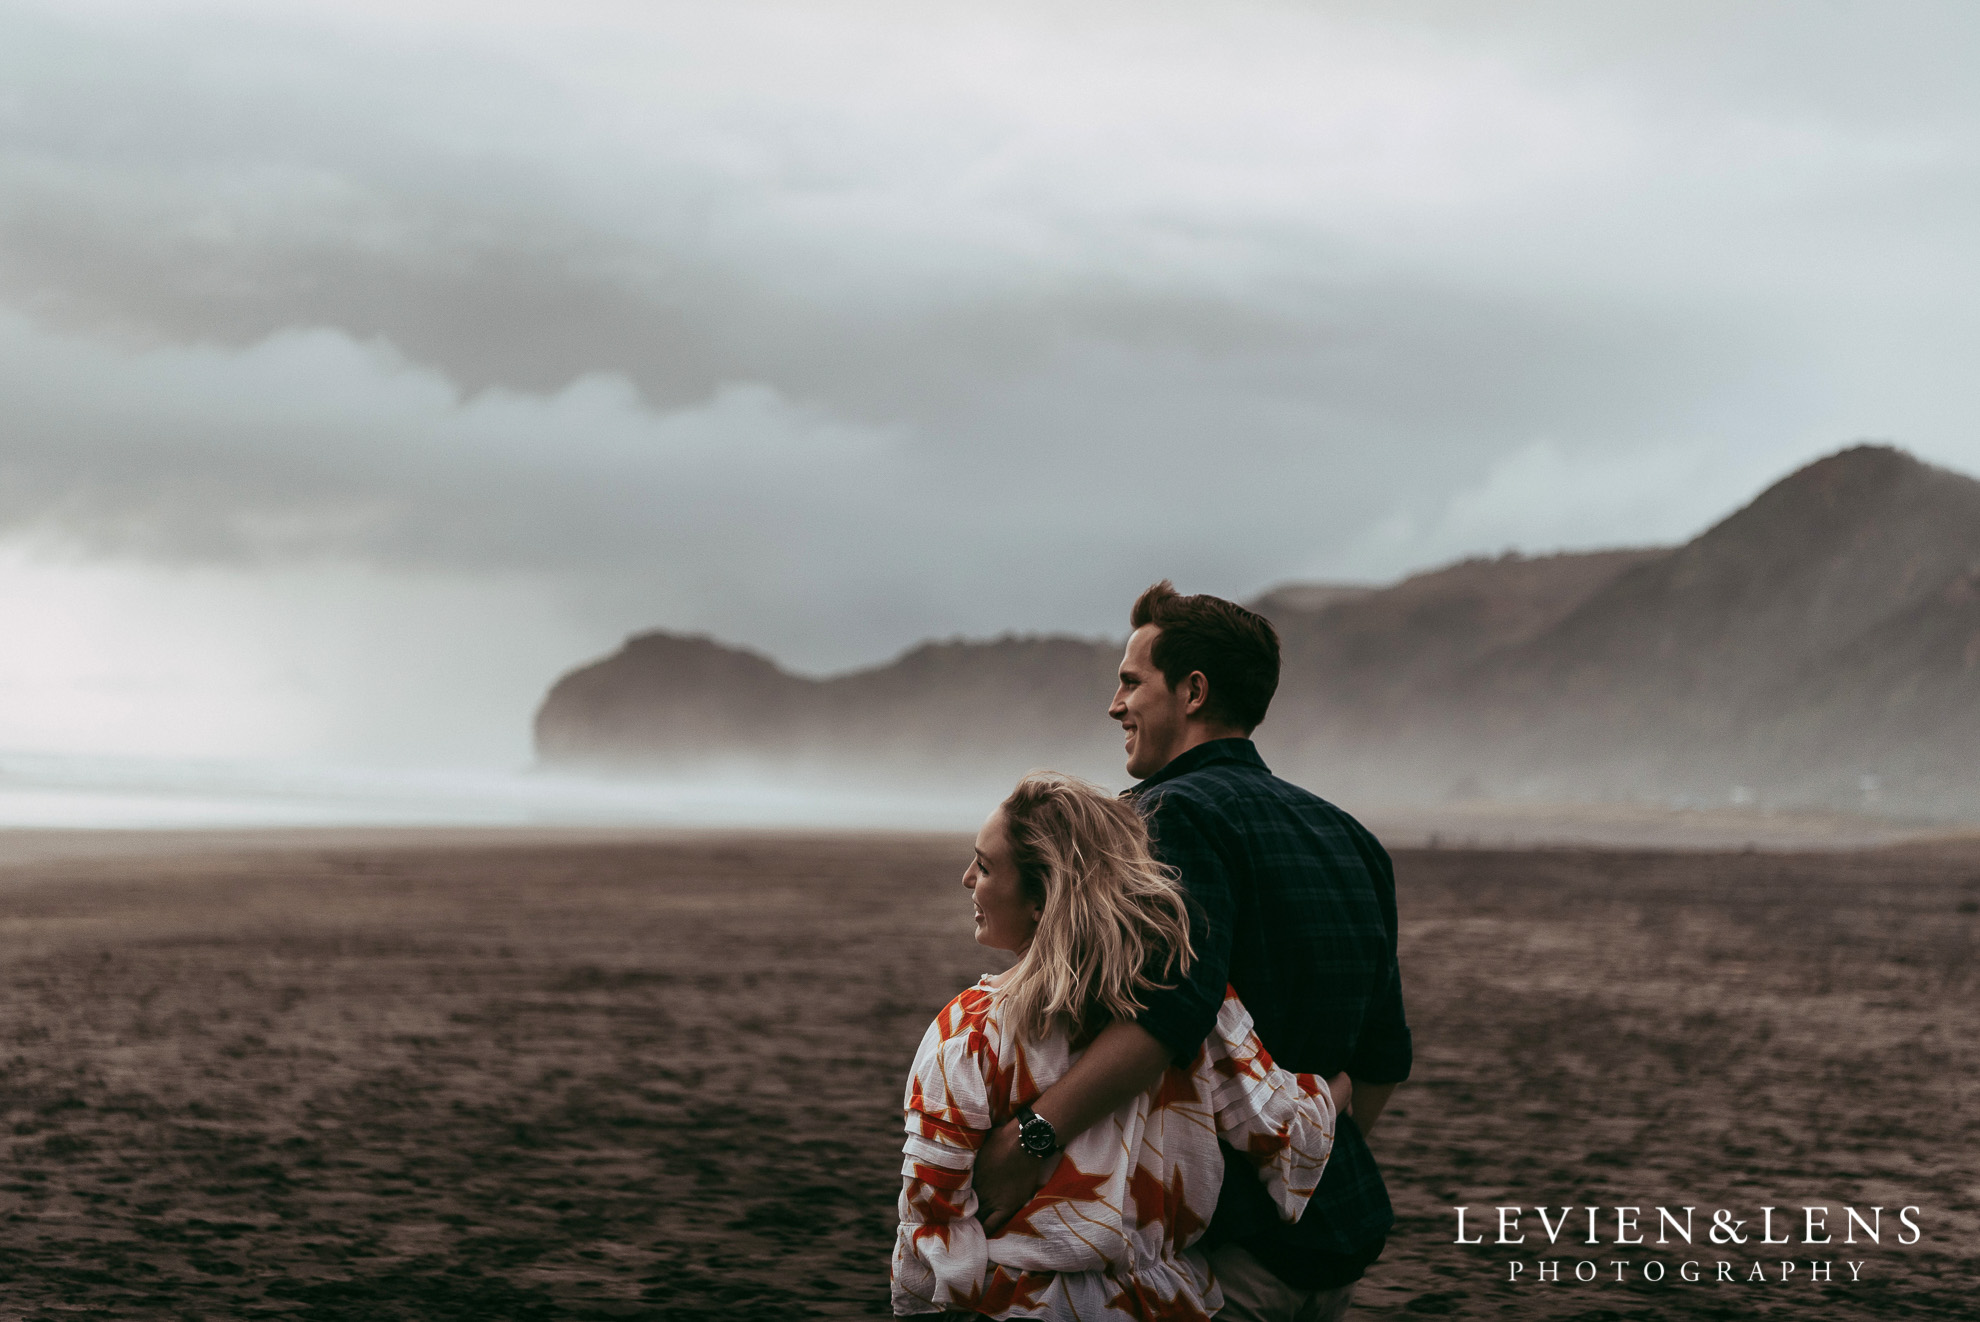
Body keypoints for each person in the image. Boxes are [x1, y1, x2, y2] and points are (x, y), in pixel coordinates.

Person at [972, 583, 1412, 1322]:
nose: (1115, 706)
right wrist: (1293, 1171)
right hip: (1327, 1255)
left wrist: (1028, 1142)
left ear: (1194, 691)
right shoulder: (1351, 837)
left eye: (1131, 682)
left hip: (1206, 1256)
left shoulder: (1166, 818)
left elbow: (1165, 1015)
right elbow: (1380, 1061)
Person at [891, 773, 1344, 1321]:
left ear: (1042, 900)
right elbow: (1284, 1131)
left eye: (985, 867)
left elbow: (930, 1228)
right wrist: (1343, 1087)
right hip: (1165, 1305)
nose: (967, 879)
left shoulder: (969, 1035)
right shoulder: (1205, 1022)